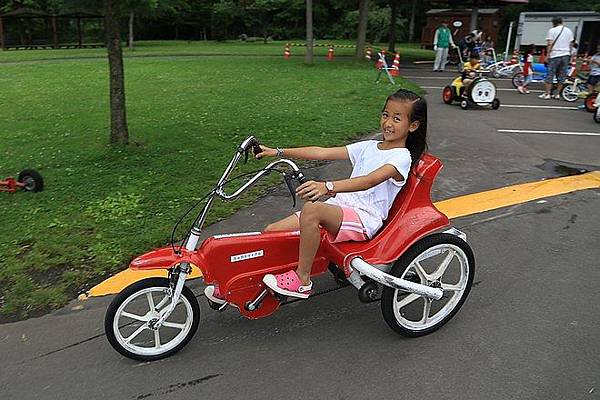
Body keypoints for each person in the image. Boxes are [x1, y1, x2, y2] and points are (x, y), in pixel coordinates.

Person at [204, 89, 427, 303]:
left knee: (312, 210)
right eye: (385, 115)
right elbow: (321, 151)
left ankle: (302, 280)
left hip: (364, 219)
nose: (388, 123)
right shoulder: (369, 147)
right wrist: (277, 152)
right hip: (341, 209)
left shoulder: (402, 157)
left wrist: (327, 186)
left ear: (413, 125)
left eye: (397, 119)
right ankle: (241, 286)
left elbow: (369, 180)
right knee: (271, 232)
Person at [539, 16, 574, 100]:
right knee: (561, 76)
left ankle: (547, 94)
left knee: (550, 75)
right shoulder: (569, 30)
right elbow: (571, 44)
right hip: (566, 55)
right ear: (562, 21)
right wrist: (570, 55)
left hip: (555, 55)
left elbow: (549, 44)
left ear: (553, 22)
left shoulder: (552, 30)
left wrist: (547, 56)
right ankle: (557, 94)